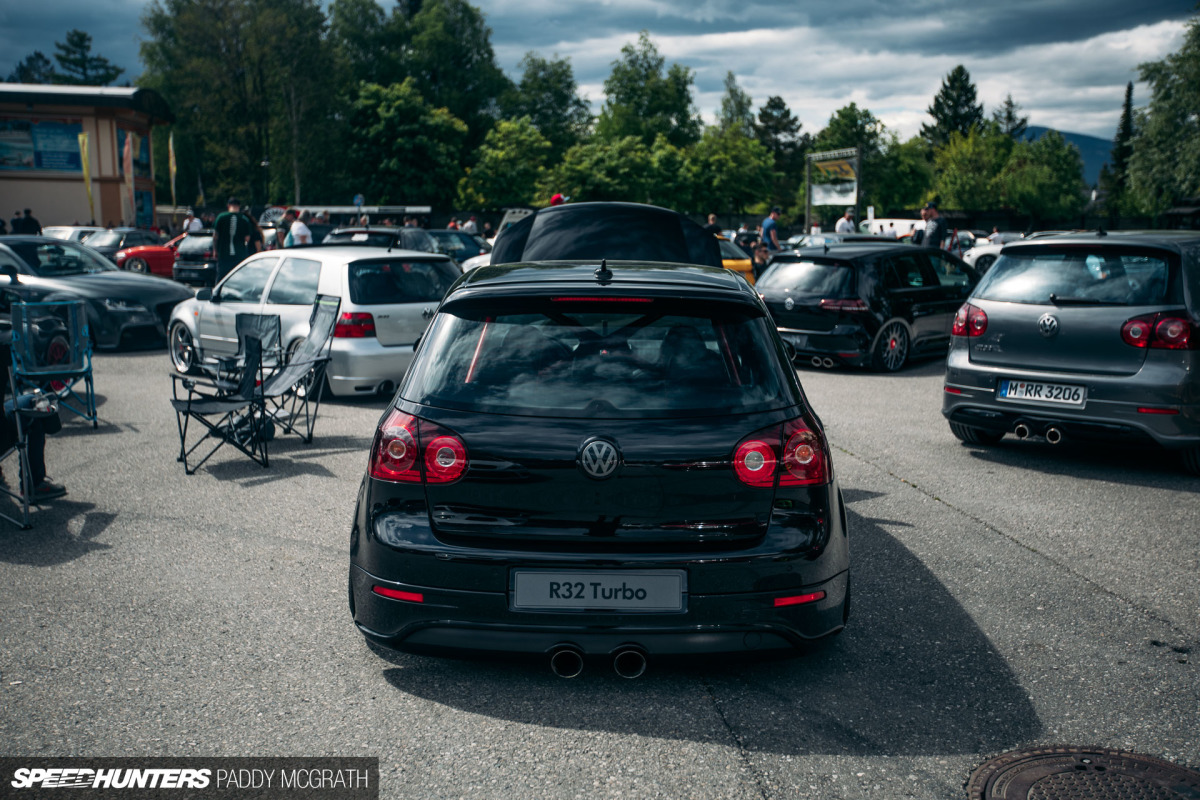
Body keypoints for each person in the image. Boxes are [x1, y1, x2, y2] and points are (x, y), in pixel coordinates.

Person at [212, 197, 253, 284]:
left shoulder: (221, 217)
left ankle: (217, 294)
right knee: (239, 279)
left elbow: (215, 236)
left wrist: (215, 250)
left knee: (221, 278)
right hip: (239, 255)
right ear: (239, 206)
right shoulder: (244, 219)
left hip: (223, 255)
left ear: (228, 206)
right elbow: (247, 239)